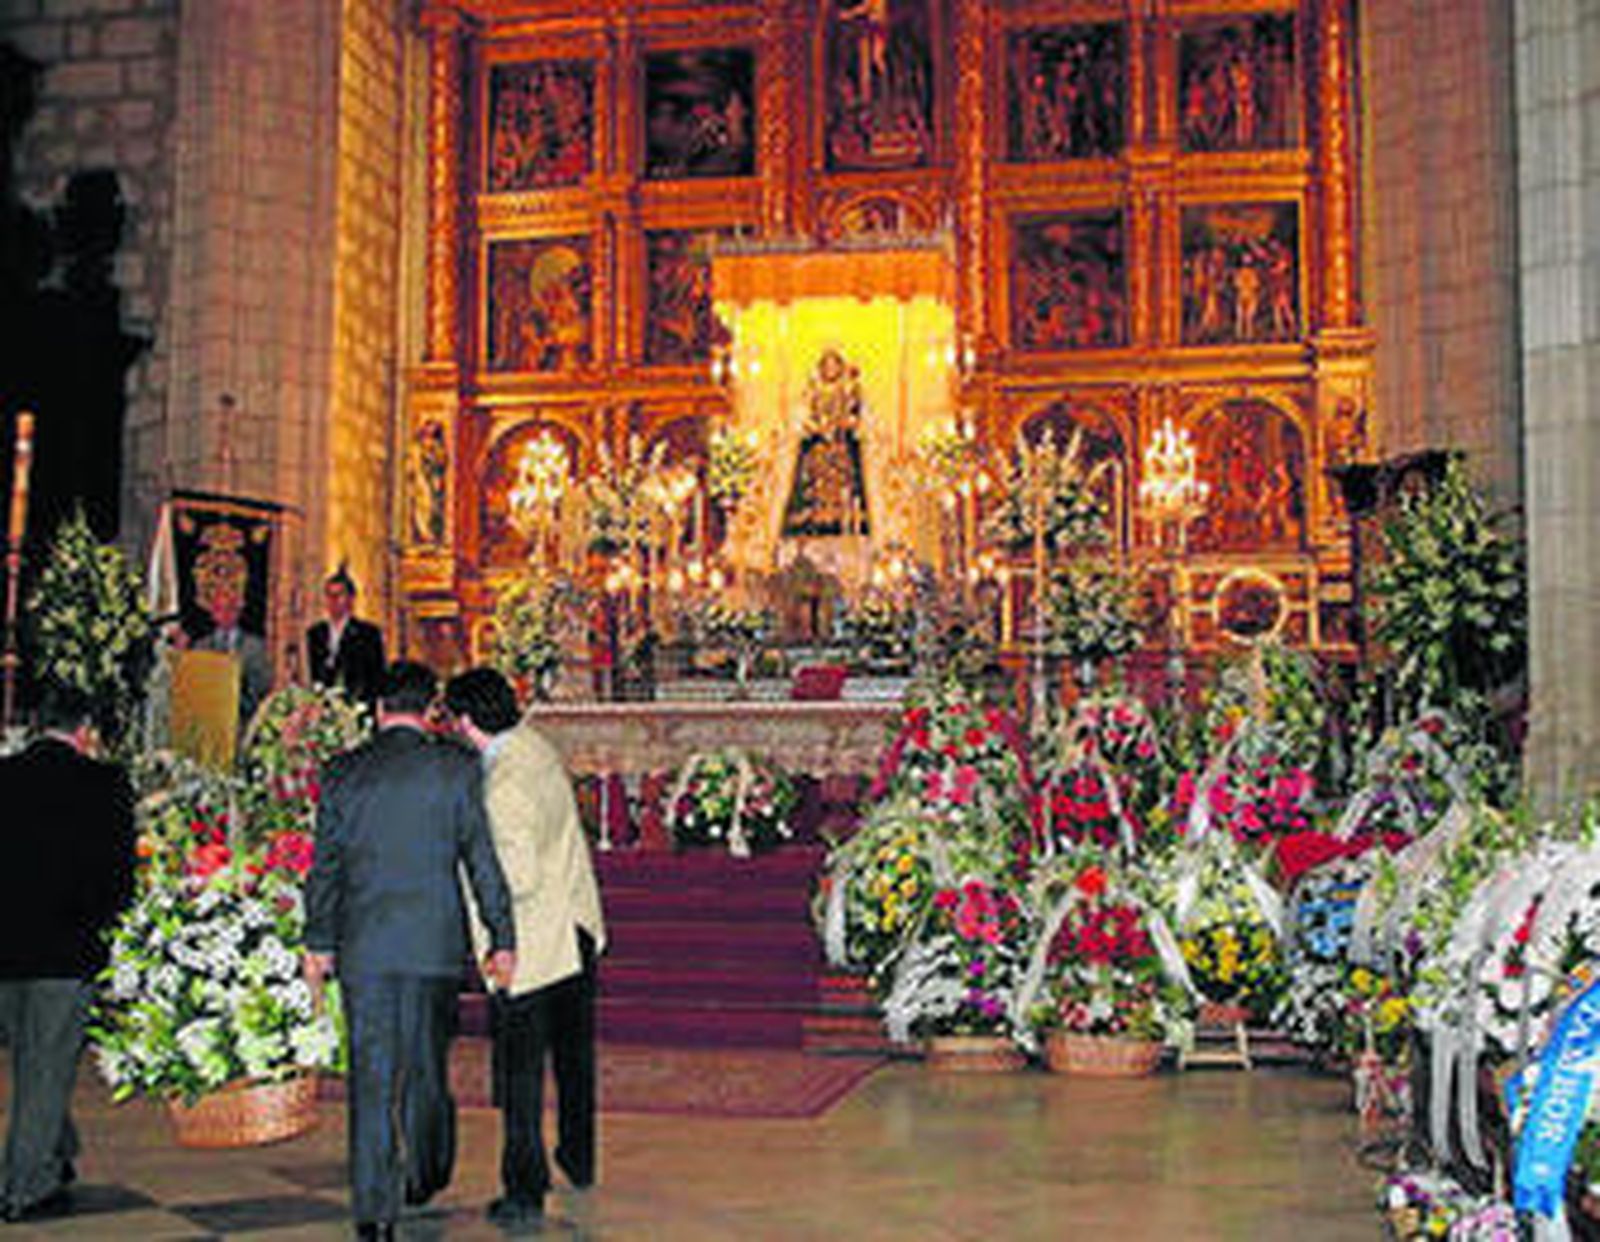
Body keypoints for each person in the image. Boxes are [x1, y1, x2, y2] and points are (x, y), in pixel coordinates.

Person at [303, 661, 516, 1242]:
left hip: (365, 945)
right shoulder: (456, 769)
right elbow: (482, 860)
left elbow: (325, 868)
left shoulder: (344, 772)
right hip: (432, 945)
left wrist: (317, 941)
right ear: (431, 712)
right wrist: (502, 937)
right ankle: (422, 1173)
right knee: (424, 1068)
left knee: (371, 1077)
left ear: (377, 710)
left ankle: (373, 1210)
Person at [444, 668, 606, 1229]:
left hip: (534, 945)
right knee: (574, 1056)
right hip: (577, 926)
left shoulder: (503, 783)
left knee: (519, 1075)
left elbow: (517, 877)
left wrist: (463, 869)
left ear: (465, 722)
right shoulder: (535, 746)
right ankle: (579, 1155)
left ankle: (523, 1189)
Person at [0, 682, 135, 1223]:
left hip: (4, 946)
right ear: (85, 732)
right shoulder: (103, 784)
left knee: (34, 1061)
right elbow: (118, 876)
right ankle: (23, 1187)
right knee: (45, 1070)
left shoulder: (4, 777)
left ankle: (57, 1150)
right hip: (67, 948)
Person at [306, 567, 386, 709]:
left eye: (339, 595)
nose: (334, 600)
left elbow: (376, 677)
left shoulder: (368, 634)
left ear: (351, 599)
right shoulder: (315, 633)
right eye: (329, 595)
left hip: (355, 705)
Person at [193, 591, 272, 729]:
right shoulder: (200, 647)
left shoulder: (255, 647)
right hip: (207, 723)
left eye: (230, 609)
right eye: (218, 609)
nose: (224, 614)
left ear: (238, 612)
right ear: (212, 613)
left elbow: (263, 686)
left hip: (240, 722)